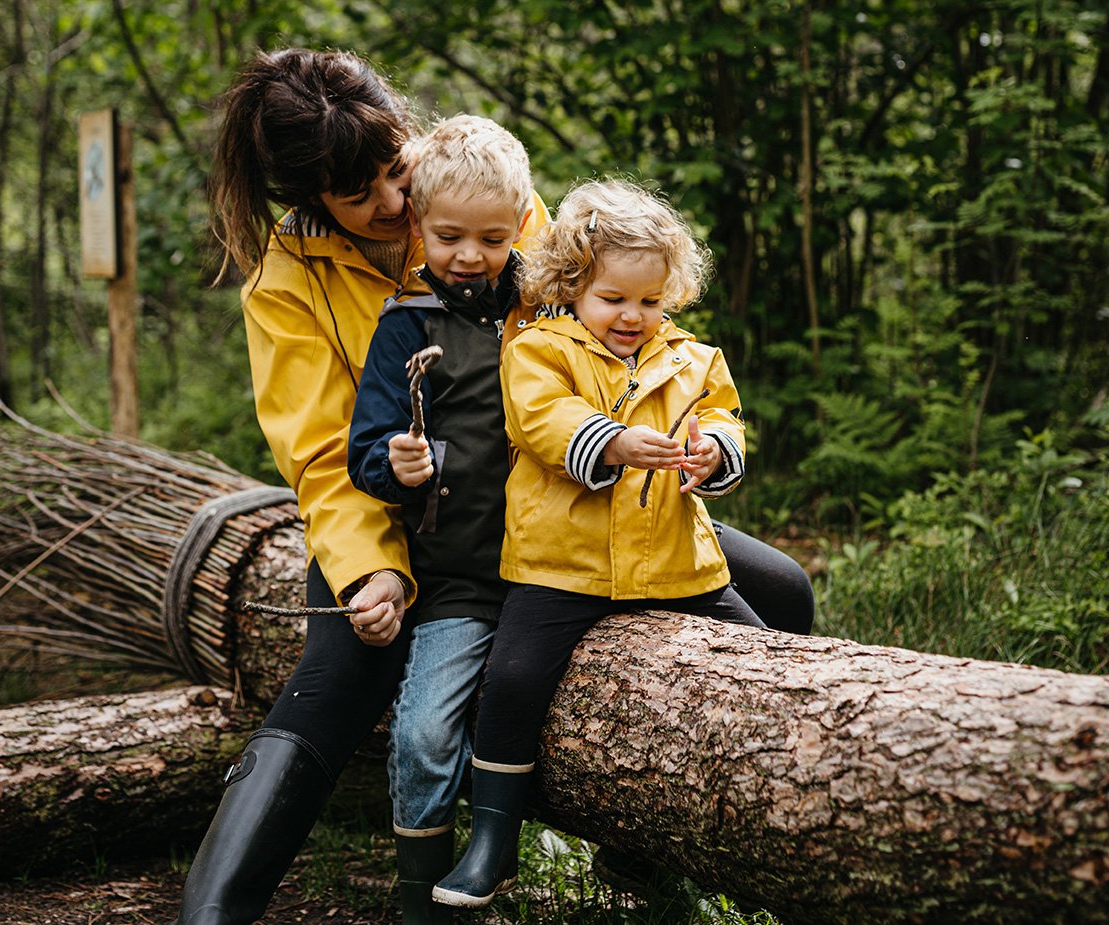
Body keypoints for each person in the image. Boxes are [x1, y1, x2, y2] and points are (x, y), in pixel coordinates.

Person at [180, 44, 809, 925]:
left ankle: (645, 843)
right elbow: (325, 456)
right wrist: (373, 570)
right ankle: (213, 906)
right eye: (363, 197)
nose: (397, 204)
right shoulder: (291, 280)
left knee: (780, 586)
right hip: (414, 520)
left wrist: (655, 442)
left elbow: (589, 326)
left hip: (551, 501)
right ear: (313, 200)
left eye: (396, 171)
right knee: (338, 675)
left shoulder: (476, 182)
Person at [432, 179, 767, 909]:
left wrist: (715, 455)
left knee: (762, 658)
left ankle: (700, 840)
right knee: (514, 680)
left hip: (679, 562)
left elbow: (724, 417)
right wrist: (611, 442)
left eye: (650, 302)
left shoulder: (690, 358)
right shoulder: (538, 350)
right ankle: (492, 838)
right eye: (615, 298)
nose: (633, 317)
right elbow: (542, 421)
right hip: (563, 565)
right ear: (574, 283)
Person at [347, 114, 535, 923]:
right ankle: (422, 896)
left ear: (523, 221)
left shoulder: (553, 304)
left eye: (492, 238)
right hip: (460, 577)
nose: (469, 256)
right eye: (450, 235)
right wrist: (397, 463)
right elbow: (362, 455)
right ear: (418, 224)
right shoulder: (404, 327)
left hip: (560, 570)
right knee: (424, 735)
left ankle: (633, 856)